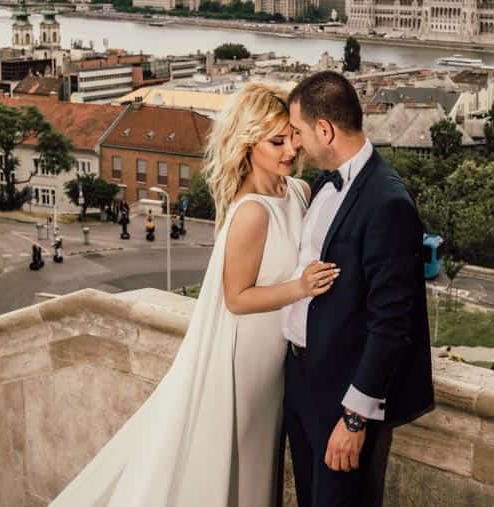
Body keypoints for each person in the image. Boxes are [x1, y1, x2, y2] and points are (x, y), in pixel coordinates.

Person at [51, 82, 338, 507]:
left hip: (279, 353)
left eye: (292, 137)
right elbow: (236, 298)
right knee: (239, 455)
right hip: (245, 354)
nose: (291, 150)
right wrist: (300, 288)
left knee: (260, 459)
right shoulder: (251, 212)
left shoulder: (298, 191)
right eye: (276, 142)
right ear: (247, 145)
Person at [284, 71, 434, 506]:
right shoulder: (323, 183)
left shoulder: (388, 202)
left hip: (342, 396)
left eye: (298, 132)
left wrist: (354, 419)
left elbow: (393, 323)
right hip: (301, 381)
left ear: (324, 130)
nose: (295, 144)